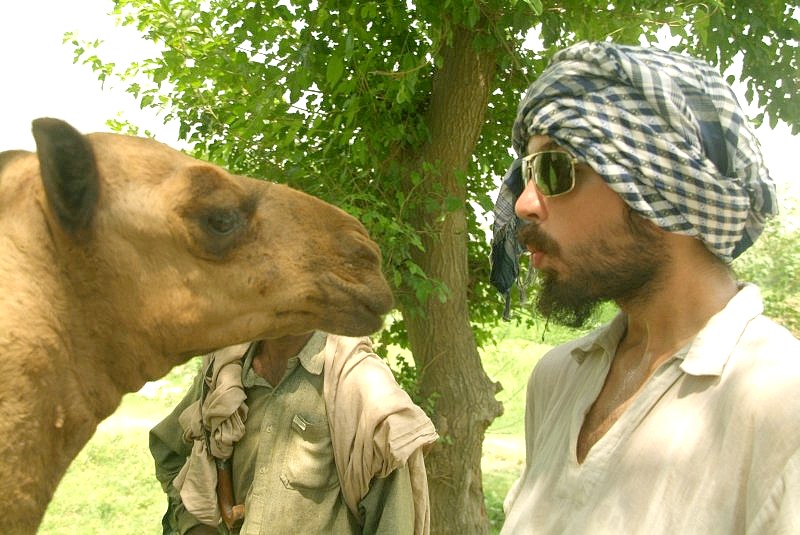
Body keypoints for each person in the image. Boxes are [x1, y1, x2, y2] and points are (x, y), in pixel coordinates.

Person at [489, 41, 800, 533]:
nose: (524, 203)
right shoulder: (557, 379)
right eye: (526, 171)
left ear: (661, 189)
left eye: (554, 169)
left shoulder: (780, 403)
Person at [150, 330, 438, 535]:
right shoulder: (226, 371)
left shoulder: (361, 387)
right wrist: (198, 525)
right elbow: (170, 453)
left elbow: (394, 521)